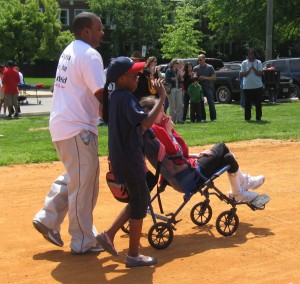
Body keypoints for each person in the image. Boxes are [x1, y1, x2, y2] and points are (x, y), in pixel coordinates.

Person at [32, 12, 106, 254]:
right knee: (85, 185)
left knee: (77, 176)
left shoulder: (70, 50)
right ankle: (82, 240)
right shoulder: (90, 54)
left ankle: (48, 218)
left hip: (63, 126)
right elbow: (101, 94)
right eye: (99, 28)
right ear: (86, 31)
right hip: (78, 127)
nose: (102, 32)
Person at [98, 56, 167, 267]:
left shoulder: (117, 97)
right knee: (140, 202)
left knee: (139, 199)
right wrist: (162, 97)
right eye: (134, 74)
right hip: (129, 158)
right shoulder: (125, 97)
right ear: (120, 78)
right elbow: (146, 123)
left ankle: (108, 235)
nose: (138, 77)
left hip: (122, 156)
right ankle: (133, 255)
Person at [139, 96, 265, 203]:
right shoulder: (159, 130)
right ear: (151, 112)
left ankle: (241, 187)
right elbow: (177, 153)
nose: (164, 114)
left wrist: (196, 154)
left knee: (228, 158)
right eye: (160, 110)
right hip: (189, 176)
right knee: (223, 148)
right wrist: (169, 131)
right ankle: (240, 189)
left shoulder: (148, 132)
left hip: (176, 178)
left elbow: (173, 157)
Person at [241, 48, 264, 121]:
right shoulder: (244, 63)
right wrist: (249, 69)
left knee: (258, 103)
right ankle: (247, 118)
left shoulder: (258, 62)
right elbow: (243, 74)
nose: (250, 55)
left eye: (252, 54)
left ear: (254, 55)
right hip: (247, 87)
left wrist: (254, 68)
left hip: (257, 86)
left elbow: (260, 73)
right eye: (249, 54)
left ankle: (258, 117)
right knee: (247, 104)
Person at [193, 54, 217, 121]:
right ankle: (203, 118)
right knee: (201, 103)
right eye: (198, 60)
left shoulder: (210, 67)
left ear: (204, 59)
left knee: (211, 103)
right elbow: (194, 78)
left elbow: (214, 77)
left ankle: (213, 117)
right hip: (199, 88)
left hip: (208, 87)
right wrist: (198, 78)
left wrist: (205, 78)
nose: (199, 61)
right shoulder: (196, 68)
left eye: (200, 59)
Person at [165, 59, 184, 124]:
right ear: (173, 63)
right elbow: (167, 80)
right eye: (177, 63)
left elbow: (181, 80)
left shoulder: (178, 71)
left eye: (178, 63)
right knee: (172, 105)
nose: (178, 64)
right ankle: (172, 120)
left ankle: (179, 119)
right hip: (171, 88)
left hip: (178, 88)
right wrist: (176, 77)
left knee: (180, 104)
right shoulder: (168, 70)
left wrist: (181, 77)